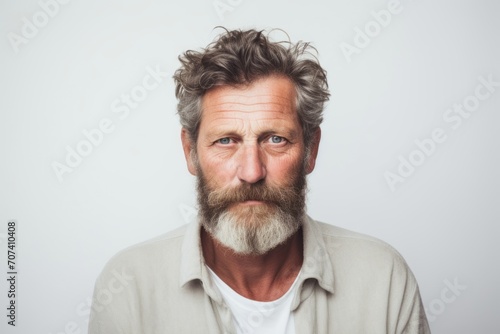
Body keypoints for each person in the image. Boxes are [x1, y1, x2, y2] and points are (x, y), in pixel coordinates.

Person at [88, 28, 431, 334]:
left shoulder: (383, 278)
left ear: (310, 151)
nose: (251, 172)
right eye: (226, 141)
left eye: (275, 139)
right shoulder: (128, 286)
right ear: (191, 152)